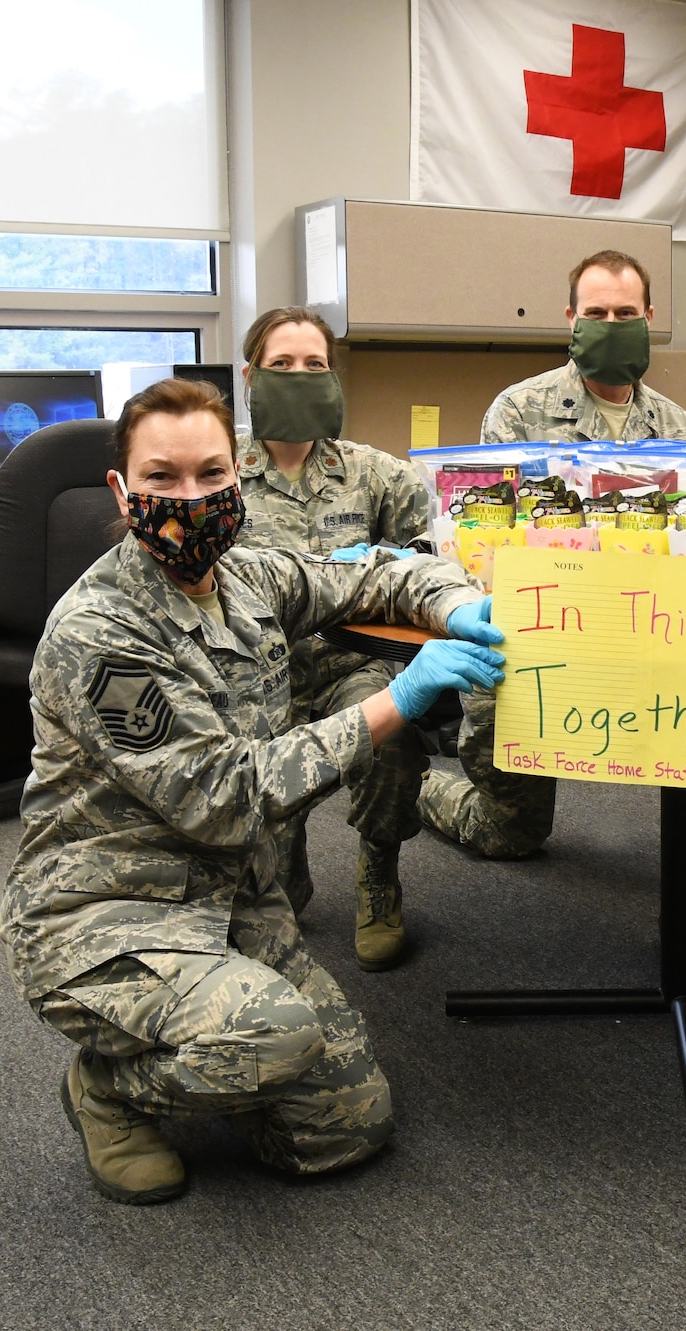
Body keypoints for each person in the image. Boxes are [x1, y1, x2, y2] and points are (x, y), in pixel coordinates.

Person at [0, 377, 504, 1204]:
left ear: (238, 480)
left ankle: (213, 1051)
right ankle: (108, 1090)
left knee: (347, 1126)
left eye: (210, 475)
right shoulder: (100, 635)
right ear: (122, 494)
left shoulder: (249, 576)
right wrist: (398, 699)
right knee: (269, 1035)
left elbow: (377, 573)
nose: (190, 498)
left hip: (232, 895)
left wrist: (459, 603)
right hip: (106, 914)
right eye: (162, 478)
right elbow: (225, 794)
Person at [420, 248, 686, 884]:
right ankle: (423, 788)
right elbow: (493, 543)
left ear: (649, 317)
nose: (612, 322)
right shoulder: (517, 412)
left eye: (626, 313)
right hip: (547, 624)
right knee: (512, 832)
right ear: (571, 318)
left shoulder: (677, 425)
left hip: (657, 622)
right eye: (597, 312)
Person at [230, 305, 430, 970]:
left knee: (393, 727)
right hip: (261, 680)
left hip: (351, 667)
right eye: (281, 364)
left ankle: (379, 865)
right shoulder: (222, 476)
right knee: (276, 893)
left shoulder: (373, 473)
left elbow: (433, 550)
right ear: (250, 375)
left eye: (314, 364)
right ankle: (283, 870)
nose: (299, 374)